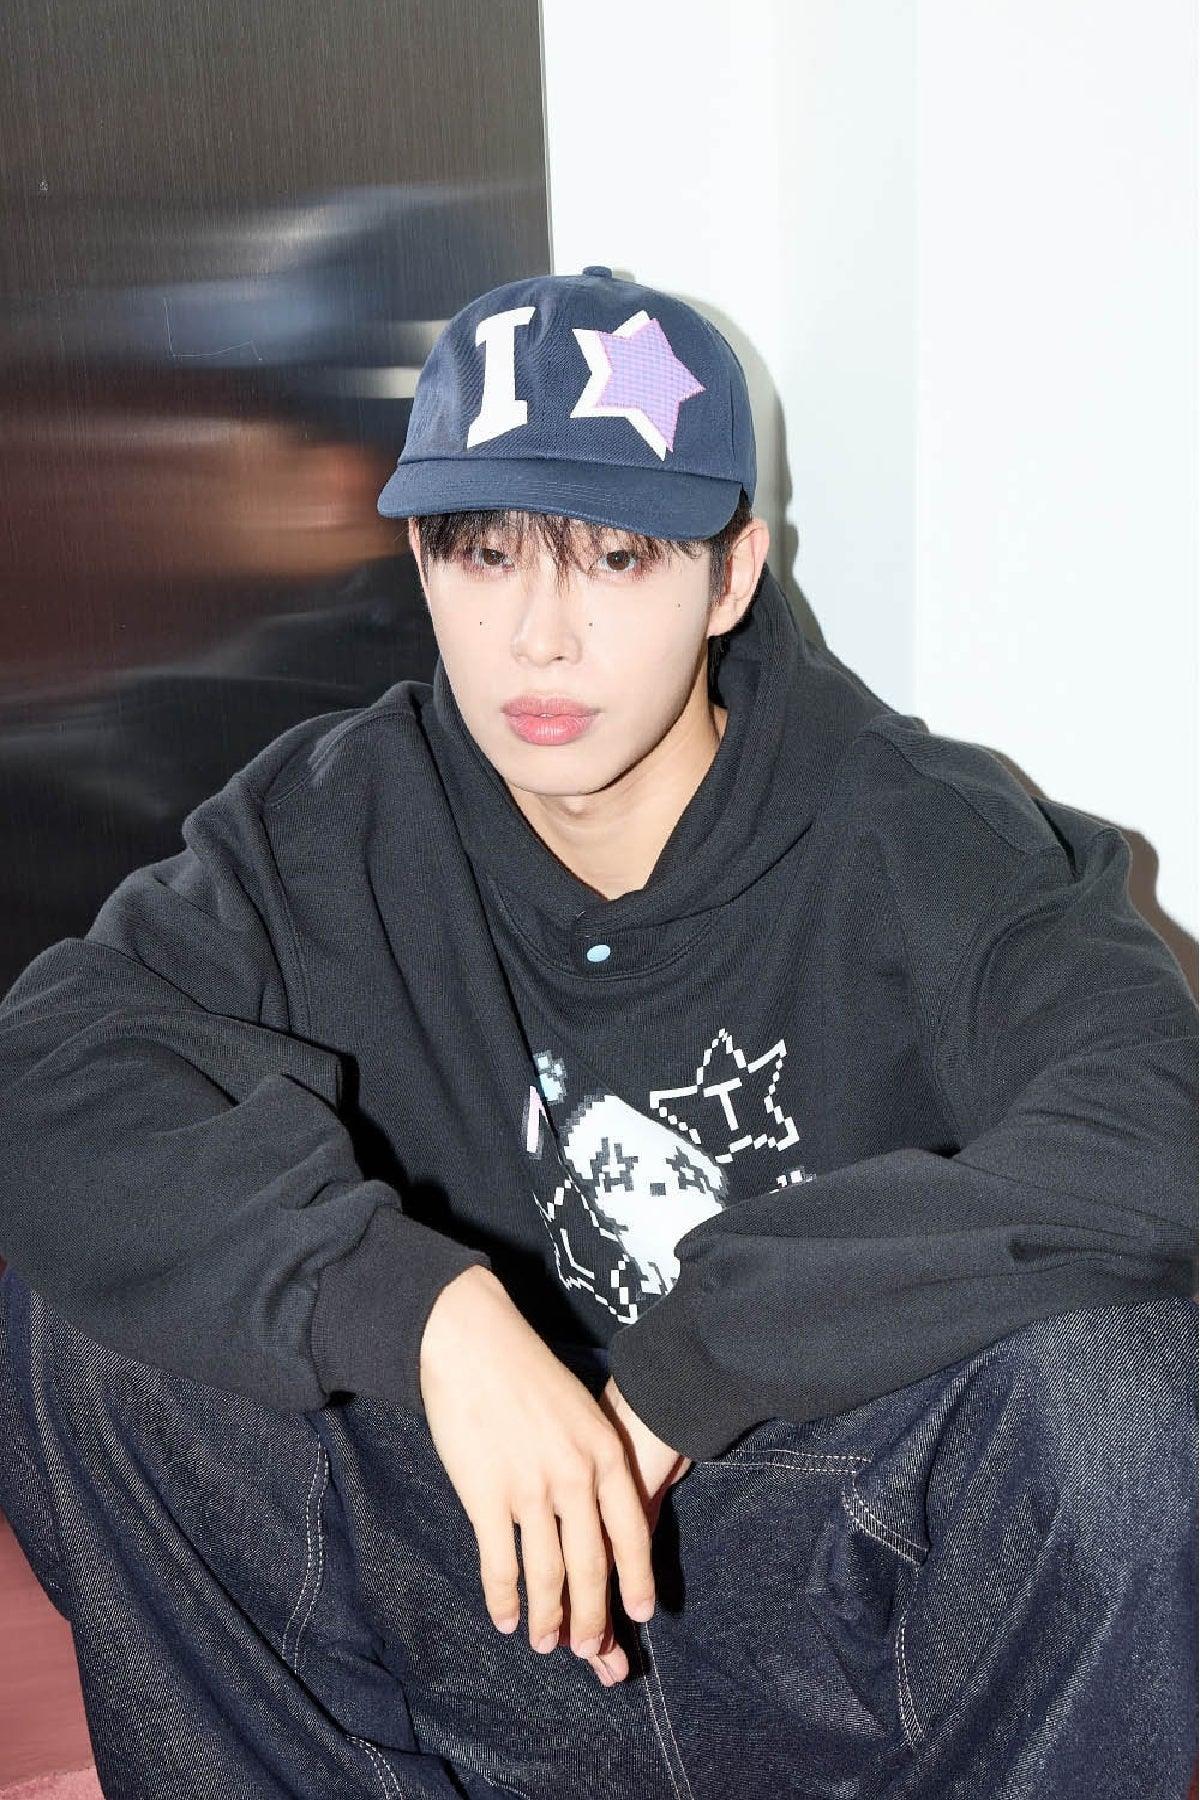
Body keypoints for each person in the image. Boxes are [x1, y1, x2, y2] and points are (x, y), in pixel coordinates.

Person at [0, 265, 1194, 1799]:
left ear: (732, 572)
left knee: (1119, 1386)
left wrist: (720, 1343)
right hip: (462, 1619)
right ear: (420, 558)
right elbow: (51, 1072)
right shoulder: (331, 826)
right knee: (94, 1318)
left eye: (617, 558)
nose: (539, 638)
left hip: (831, 1636)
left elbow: (1157, 1120)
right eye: (485, 552)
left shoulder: (921, 833)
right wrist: (422, 1313)